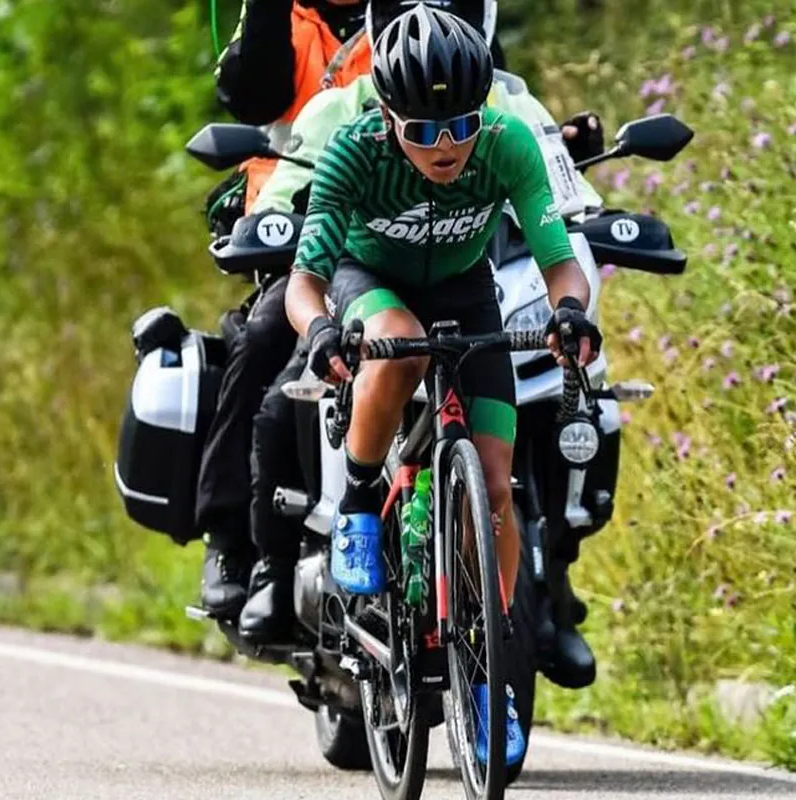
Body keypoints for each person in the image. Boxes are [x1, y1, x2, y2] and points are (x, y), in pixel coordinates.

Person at [235, 6, 608, 692]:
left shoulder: (508, 141)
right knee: (399, 347)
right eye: (423, 131)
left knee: (497, 487)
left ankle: (494, 668)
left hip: (465, 288)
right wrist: (319, 329)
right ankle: (354, 508)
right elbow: (306, 281)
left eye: (462, 125)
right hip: (369, 277)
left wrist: (570, 312)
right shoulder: (352, 149)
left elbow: (561, 261)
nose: (446, 146)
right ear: (386, 117)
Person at [193, 0, 508, 618]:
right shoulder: (288, 19)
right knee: (266, 349)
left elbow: (485, 84)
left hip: (425, 230)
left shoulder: (422, 15)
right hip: (304, 223)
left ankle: (540, 595)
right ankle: (253, 553)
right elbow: (249, 95)